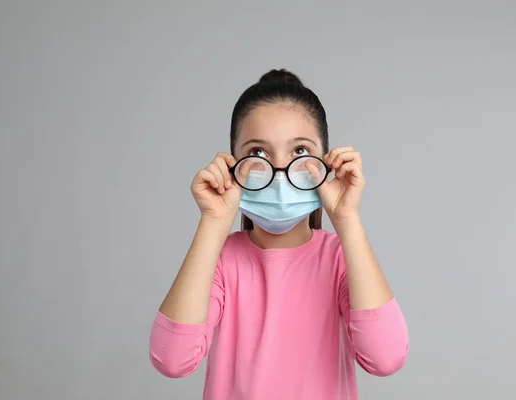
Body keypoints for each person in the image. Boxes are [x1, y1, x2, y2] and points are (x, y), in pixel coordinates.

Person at [149, 69, 409, 400]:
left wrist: (347, 218)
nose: (280, 173)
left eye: (300, 152)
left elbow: (386, 358)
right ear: (233, 166)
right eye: (257, 153)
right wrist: (214, 220)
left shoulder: (341, 259)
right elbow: (171, 360)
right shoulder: (220, 263)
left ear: (326, 164)